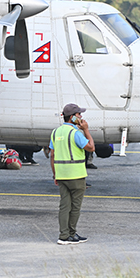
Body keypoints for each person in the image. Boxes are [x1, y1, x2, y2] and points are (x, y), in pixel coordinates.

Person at [49, 103, 95, 245]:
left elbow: (52, 155)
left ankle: (63, 235)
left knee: (64, 206)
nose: (81, 117)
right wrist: (86, 130)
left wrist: (55, 174)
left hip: (61, 174)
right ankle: (71, 234)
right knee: (75, 207)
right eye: (79, 114)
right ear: (72, 117)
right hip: (76, 175)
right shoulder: (76, 133)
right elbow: (91, 147)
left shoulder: (55, 132)